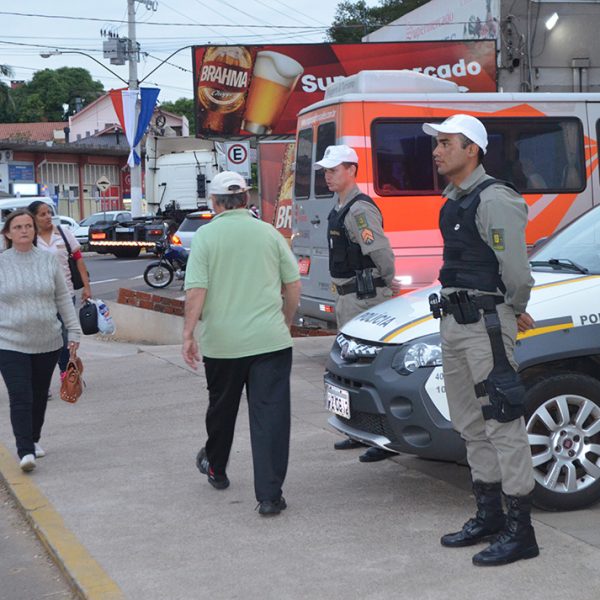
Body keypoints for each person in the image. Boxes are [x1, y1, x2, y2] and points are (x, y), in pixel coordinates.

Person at [422, 114, 539, 566]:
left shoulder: (495, 198)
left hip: (485, 326)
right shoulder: (454, 200)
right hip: (455, 324)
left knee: (502, 423)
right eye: (437, 143)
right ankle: (489, 517)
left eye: (446, 142)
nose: (437, 150)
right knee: (470, 424)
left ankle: (520, 530)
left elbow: (516, 272)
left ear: (472, 149)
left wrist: (511, 305)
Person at [182, 171, 301, 517]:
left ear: (214, 203)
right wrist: (286, 321)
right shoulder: (268, 233)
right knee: (271, 417)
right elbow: (292, 284)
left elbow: (196, 291)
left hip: (223, 344)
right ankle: (269, 496)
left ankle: (216, 467)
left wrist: (189, 334)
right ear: (246, 199)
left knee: (222, 409)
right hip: (270, 341)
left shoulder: (205, 236)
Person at [314, 144, 400, 463]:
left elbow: (381, 254)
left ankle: (385, 438)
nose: (327, 176)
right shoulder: (341, 207)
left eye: (334, 170)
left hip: (364, 298)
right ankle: (358, 429)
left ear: (352, 170)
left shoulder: (359, 210)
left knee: (371, 370)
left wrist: (384, 281)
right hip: (349, 297)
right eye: (326, 170)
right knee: (348, 372)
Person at [0, 210, 81, 472]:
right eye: (18, 227)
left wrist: (74, 331)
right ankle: (25, 451)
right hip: (9, 342)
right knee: (20, 395)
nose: (24, 230)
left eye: (28, 226)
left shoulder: (48, 261)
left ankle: (33, 439)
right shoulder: (1, 263)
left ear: (34, 231)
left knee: (37, 396)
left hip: (47, 341)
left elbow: (62, 298)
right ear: (8, 233)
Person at [28, 201, 91, 381]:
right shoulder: (30, 238)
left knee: (64, 335)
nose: (48, 216)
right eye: (42, 214)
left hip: (66, 294)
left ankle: (65, 371)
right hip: (39, 298)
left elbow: (78, 260)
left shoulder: (63, 233)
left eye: (49, 213)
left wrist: (87, 287)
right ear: (33, 218)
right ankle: (40, 378)